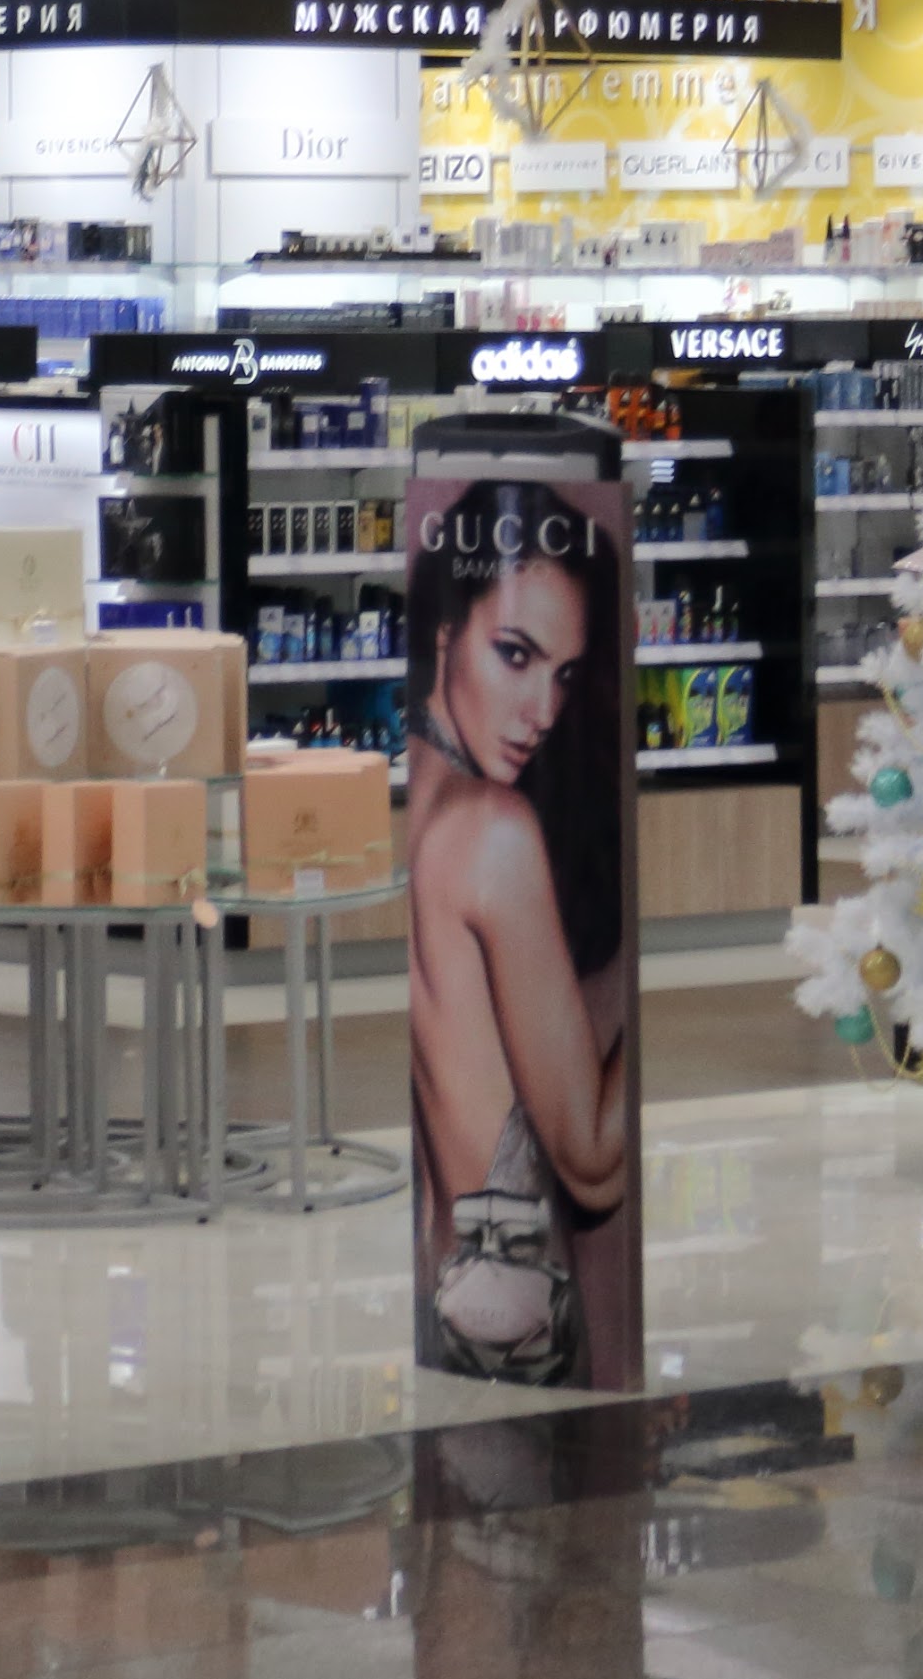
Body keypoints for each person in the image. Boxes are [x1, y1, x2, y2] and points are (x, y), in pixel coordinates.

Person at [406, 499, 636, 1389]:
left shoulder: (427, 801)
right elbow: (593, 1161)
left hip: (449, 1290)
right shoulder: (494, 829)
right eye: (514, 653)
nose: (542, 709)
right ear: (445, 634)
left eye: (565, 673)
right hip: (521, 1320)